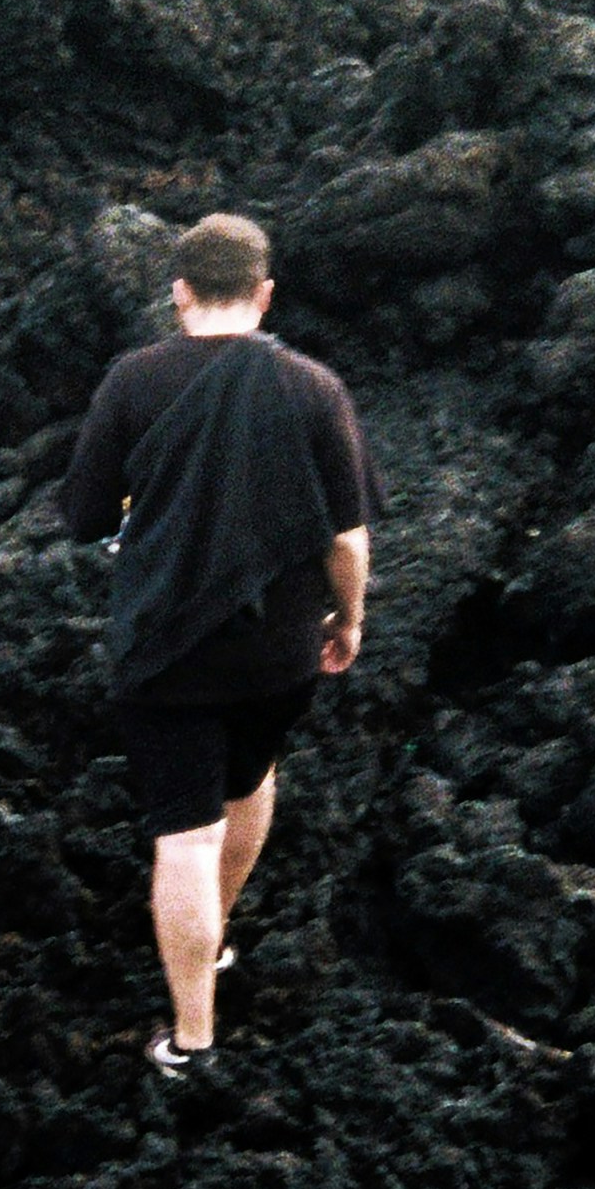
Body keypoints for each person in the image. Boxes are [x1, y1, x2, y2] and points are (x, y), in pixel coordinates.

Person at [55, 212, 380, 1076]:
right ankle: (217, 938)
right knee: (251, 778)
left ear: (179, 293)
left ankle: (191, 1042)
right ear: (266, 294)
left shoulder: (134, 382)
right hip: (280, 651)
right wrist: (347, 622)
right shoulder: (316, 389)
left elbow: (85, 517)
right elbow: (346, 540)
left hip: (168, 649)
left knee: (185, 837)